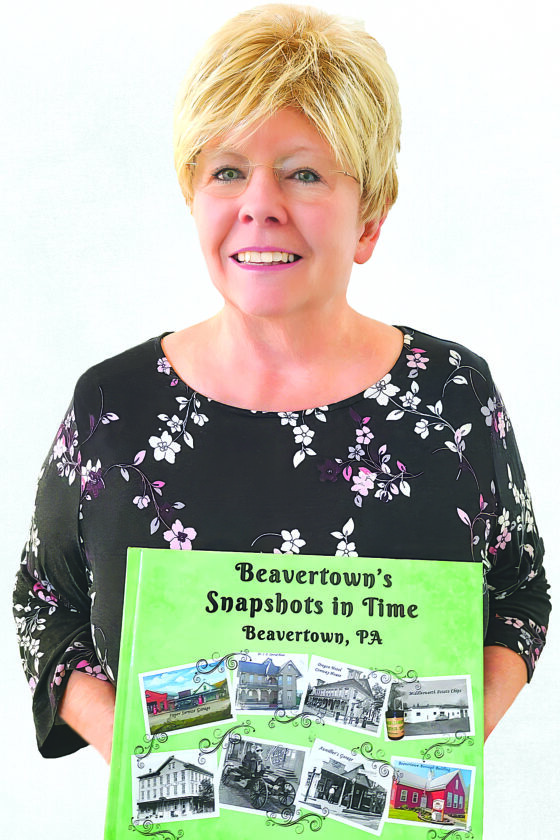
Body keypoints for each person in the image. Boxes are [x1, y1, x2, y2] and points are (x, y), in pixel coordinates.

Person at [13, 3, 550, 767]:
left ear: (370, 218)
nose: (259, 205)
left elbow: (520, 592)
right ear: (194, 197)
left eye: (302, 173)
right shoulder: (114, 408)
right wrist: (135, 752)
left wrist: (442, 749)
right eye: (228, 171)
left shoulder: (452, 399)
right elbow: (45, 602)